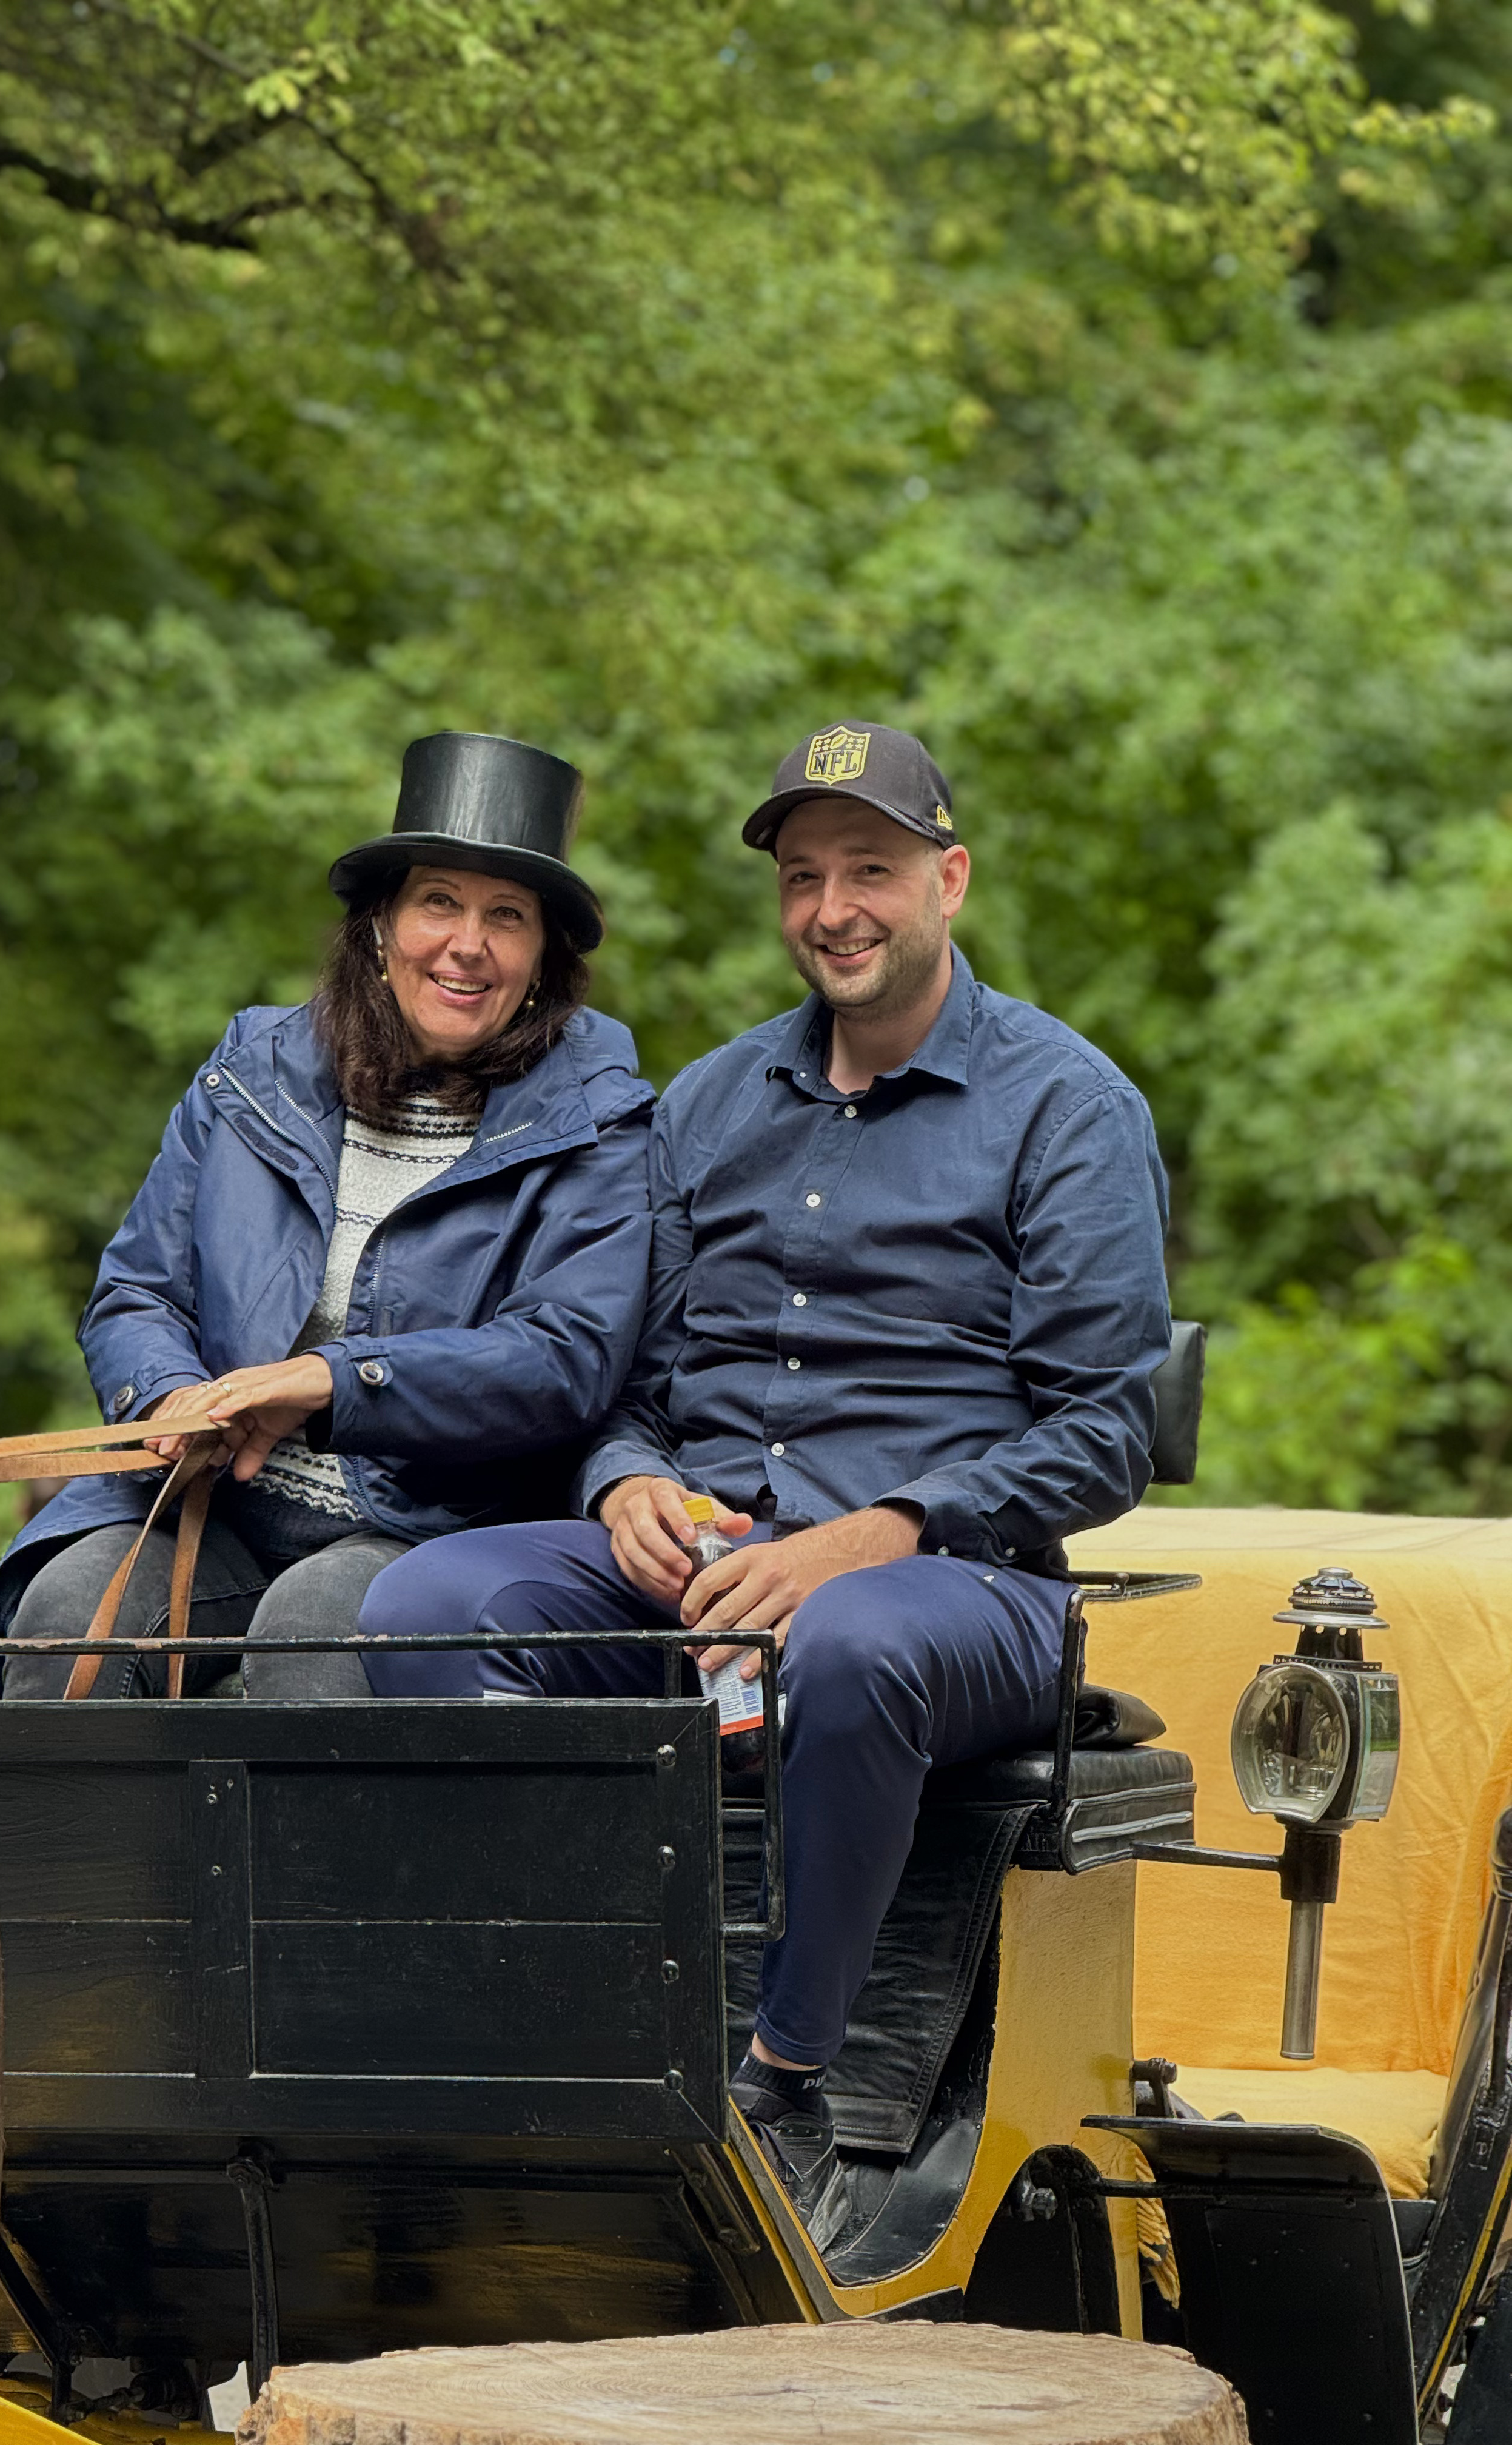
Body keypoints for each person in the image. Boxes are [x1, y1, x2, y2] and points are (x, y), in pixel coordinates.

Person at [358, 720, 1172, 2255]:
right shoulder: (711, 1104)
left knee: (849, 1641)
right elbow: (629, 1388)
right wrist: (625, 1488)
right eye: (805, 878)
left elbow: (1106, 1430)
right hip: (712, 1554)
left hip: (962, 1584)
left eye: (871, 869)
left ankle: (789, 2084)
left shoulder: (1067, 1106)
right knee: (427, 1601)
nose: (833, 908)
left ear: (951, 878)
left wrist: (878, 1535)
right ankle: (579, 2029)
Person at [0, 731, 654, 1697]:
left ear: (544, 956)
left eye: (506, 916)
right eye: (439, 902)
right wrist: (173, 1398)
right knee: (66, 1616)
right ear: (381, 928)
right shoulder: (250, 1071)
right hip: (215, 1507)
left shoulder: (601, 1115)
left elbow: (567, 1357)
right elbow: (136, 1290)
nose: (468, 944)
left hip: (431, 1529)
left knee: (309, 1635)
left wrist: (333, 1381)